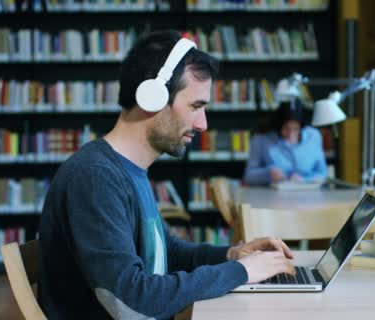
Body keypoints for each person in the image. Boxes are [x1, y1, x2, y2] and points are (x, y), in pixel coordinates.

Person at [38, 30, 295, 320]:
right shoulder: (95, 177)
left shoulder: (125, 170)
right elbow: (131, 302)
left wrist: (231, 256)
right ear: (153, 98)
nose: (203, 124)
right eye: (196, 106)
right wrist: (242, 272)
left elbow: (162, 251)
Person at [243, 99, 328, 185]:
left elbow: (323, 174)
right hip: (273, 195)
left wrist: (304, 180)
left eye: (296, 129)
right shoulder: (261, 139)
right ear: (279, 125)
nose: (291, 134)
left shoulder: (313, 136)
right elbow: (248, 176)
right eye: (286, 128)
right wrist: (268, 173)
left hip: (308, 194)